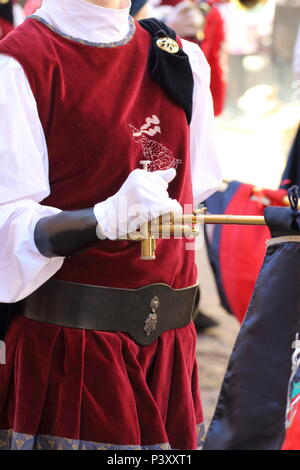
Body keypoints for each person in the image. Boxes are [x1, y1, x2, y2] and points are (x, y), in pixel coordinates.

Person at [0, 0, 221, 450]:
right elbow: (8, 229)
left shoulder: (179, 56)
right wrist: (98, 220)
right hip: (74, 353)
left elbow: (195, 191)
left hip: (169, 346)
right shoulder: (20, 62)